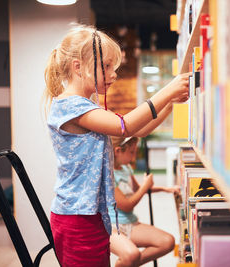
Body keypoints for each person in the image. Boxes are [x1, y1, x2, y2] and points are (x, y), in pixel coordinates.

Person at [43, 24, 189, 267]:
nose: (113, 74)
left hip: (91, 215)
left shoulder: (86, 107)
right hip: (77, 218)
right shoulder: (71, 107)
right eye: (106, 66)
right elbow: (125, 126)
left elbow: (136, 130)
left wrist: (171, 103)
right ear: (78, 66)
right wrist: (167, 90)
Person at [108, 136, 180, 267]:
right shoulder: (109, 174)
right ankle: (127, 262)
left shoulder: (126, 168)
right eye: (131, 152)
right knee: (131, 255)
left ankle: (124, 264)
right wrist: (146, 186)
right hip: (112, 227)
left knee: (167, 242)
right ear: (118, 151)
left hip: (130, 223)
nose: (134, 157)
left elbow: (139, 189)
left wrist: (166, 189)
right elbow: (127, 206)